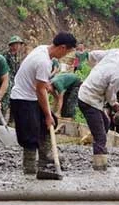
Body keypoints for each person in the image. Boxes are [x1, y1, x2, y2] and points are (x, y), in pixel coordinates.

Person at [10, 32, 77, 179]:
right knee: (30, 134)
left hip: (31, 97)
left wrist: (48, 115)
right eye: (67, 52)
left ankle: (45, 159)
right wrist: (46, 114)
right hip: (23, 99)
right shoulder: (44, 62)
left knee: (50, 122)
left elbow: (41, 84)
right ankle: (29, 170)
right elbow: (40, 90)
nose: (65, 56)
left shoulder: (42, 49)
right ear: (62, 48)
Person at [76, 46, 119, 170]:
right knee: (101, 137)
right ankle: (100, 165)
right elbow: (110, 94)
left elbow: (94, 55)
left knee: (105, 122)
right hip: (89, 99)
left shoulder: (117, 52)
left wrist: (97, 70)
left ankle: (95, 141)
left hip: (90, 95)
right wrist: (114, 103)